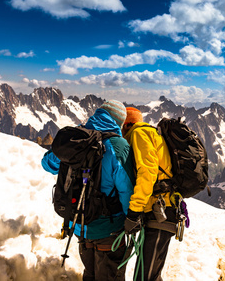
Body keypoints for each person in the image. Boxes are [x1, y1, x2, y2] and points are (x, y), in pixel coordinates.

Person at [41, 100, 135, 281]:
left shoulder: (76, 140)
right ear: (118, 122)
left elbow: (47, 164)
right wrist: (132, 219)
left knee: (90, 273)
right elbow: (126, 191)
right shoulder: (117, 145)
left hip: (80, 225)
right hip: (109, 229)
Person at [122, 107, 179, 281]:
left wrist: (134, 211)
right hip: (162, 211)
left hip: (160, 212)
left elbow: (147, 173)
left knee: (145, 276)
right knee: (149, 275)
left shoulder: (139, 134)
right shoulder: (150, 133)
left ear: (127, 124)